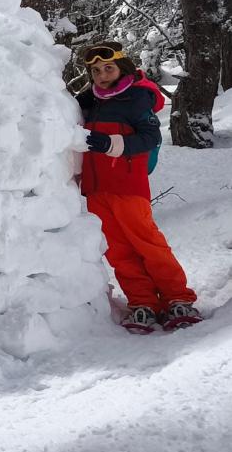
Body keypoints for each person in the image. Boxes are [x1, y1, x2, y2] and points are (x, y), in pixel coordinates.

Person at [76, 42, 201, 333]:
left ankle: (177, 298)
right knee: (117, 251)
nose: (102, 75)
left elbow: (149, 138)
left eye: (108, 68)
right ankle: (142, 302)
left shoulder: (136, 98)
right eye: (95, 71)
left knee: (147, 243)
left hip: (128, 186)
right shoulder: (89, 101)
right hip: (96, 190)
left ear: (123, 68)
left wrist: (112, 144)